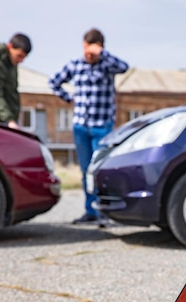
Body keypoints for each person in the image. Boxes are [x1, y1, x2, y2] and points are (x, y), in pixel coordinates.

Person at [49, 28, 129, 224]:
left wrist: (102, 54)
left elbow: (124, 67)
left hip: (102, 126)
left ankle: (105, 212)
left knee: (101, 169)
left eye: (93, 51)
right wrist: (69, 98)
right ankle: (90, 211)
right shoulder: (76, 65)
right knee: (86, 171)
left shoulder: (107, 65)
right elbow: (54, 82)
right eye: (86, 50)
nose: (89, 55)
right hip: (81, 127)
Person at [0, 33, 32, 128]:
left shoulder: (12, 65)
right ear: (10, 46)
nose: (21, 60)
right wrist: (9, 120)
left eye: (24, 57)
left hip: (10, 119)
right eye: (19, 56)